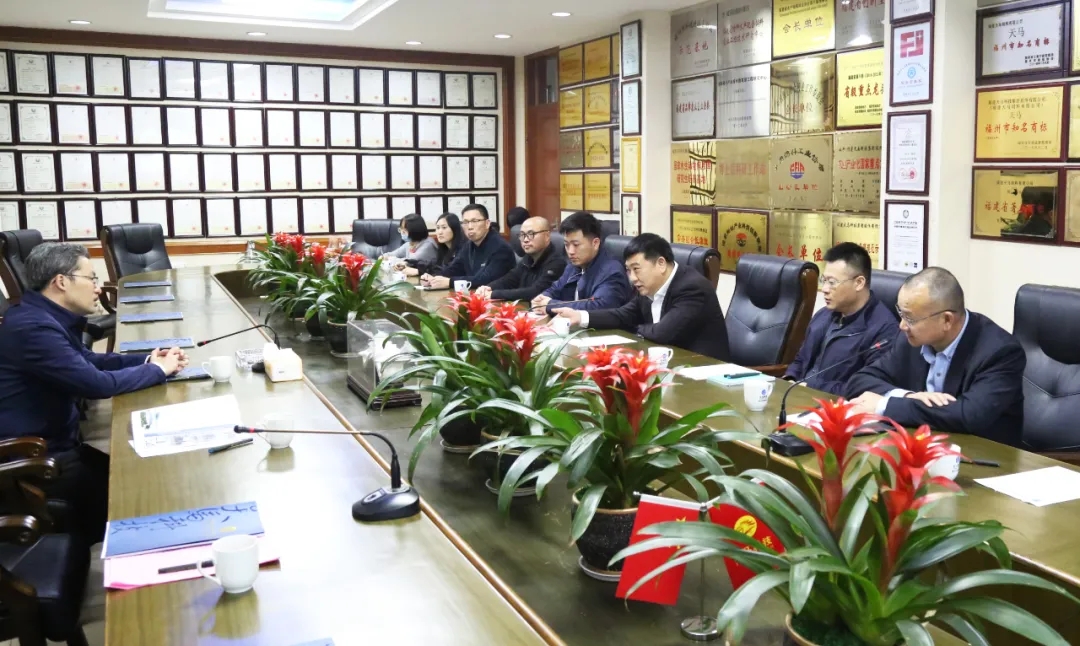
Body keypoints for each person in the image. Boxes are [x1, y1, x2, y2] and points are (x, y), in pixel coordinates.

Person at [0, 243, 187, 543]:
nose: (98, 288)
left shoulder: (41, 316)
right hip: (35, 461)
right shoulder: (34, 329)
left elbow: (88, 361)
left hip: (55, 446)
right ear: (61, 282)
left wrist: (147, 361)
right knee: (145, 495)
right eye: (91, 278)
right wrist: (157, 371)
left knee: (144, 470)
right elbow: (97, 384)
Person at [845, 267, 1025, 447]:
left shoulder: (999, 352)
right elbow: (860, 381)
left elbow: (968, 415)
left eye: (910, 318)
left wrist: (885, 405)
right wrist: (908, 396)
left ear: (947, 320)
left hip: (984, 453)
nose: (902, 326)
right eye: (901, 313)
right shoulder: (911, 339)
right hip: (922, 445)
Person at [552, 233, 729, 360]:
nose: (632, 278)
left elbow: (662, 333)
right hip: (668, 362)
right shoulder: (648, 286)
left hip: (701, 369)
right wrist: (580, 316)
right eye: (628, 271)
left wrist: (632, 327)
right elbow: (623, 315)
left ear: (660, 264)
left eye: (636, 269)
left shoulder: (692, 288)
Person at [783, 243, 897, 395]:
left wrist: (809, 386)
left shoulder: (883, 331)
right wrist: (790, 379)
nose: (825, 289)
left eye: (832, 282)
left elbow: (867, 388)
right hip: (799, 395)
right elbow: (801, 359)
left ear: (859, 283)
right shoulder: (823, 315)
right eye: (824, 280)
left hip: (836, 405)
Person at [531, 212, 632, 316]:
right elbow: (555, 289)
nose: (570, 251)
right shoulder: (573, 266)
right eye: (566, 245)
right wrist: (542, 299)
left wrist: (550, 305)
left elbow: (598, 306)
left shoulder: (612, 272)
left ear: (595, 243)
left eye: (576, 245)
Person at [422, 204, 517, 289]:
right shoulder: (469, 245)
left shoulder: (501, 248)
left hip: (500, 299)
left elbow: (485, 280)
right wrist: (433, 277)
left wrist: (450, 282)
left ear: (487, 223)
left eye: (475, 221)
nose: (470, 227)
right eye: (465, 222)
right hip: (475, 295)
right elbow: (453, 269)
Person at [476, 216, 566, 302]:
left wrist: (494, 294)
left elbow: (534, 292)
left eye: (531, 234)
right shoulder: (528, 258)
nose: (525, 240)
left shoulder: (557, 263)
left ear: (547, 236)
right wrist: (488, 287)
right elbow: (510, 279)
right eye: (522, 235)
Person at [403, 212, 463, 277]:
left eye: (444, 227)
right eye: (438, 228)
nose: (440, 232)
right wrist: (409, 263)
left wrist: (419, 271)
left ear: (455, 229)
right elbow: (434, 266)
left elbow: (449, 272)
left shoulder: (462, 249)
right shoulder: (444, 249)